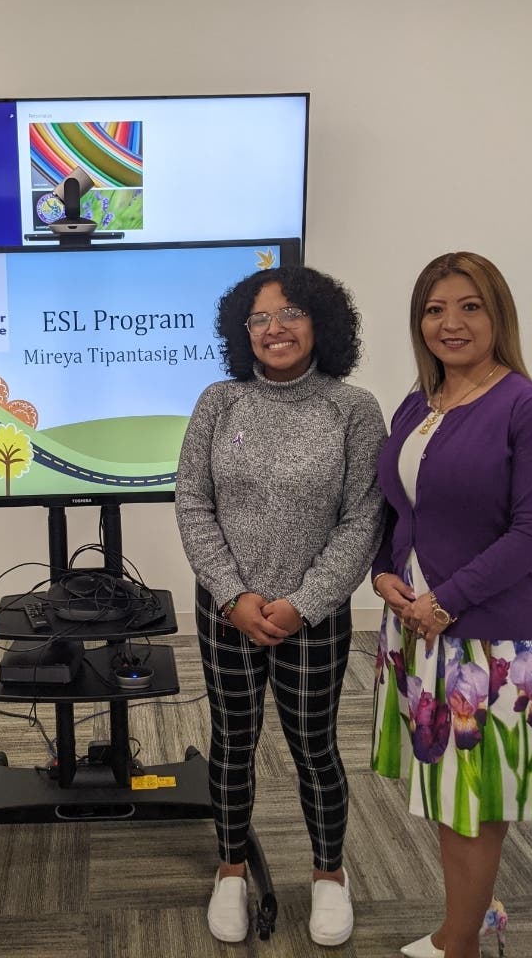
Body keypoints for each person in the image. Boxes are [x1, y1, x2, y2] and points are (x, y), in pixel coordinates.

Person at [175, 265, 387, 948]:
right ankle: (230, 869)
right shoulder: (219, 402)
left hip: (314, 618)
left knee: (315, 750)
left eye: (291, 312)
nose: (276, 328)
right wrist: (233, 596)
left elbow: (363, 520)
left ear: (320, 322)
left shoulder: (353, 409)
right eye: (260, 318)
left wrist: (302, 604)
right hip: (226, 610)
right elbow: (192, 501)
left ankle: (329, 876)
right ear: (245, 332)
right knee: (232, 745)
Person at [366, 252, 532, 958]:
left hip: (498, 644)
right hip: (423, 628)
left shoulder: (531, 410)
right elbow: (399, 510)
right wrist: (383, 574)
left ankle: (462, 943)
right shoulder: (417, 405)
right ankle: (476, 916)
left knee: (472, 806)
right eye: (433, 309)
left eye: (469, 306)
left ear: (498, 315)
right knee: (450, 797)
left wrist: (443, 603)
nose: (450, 323)